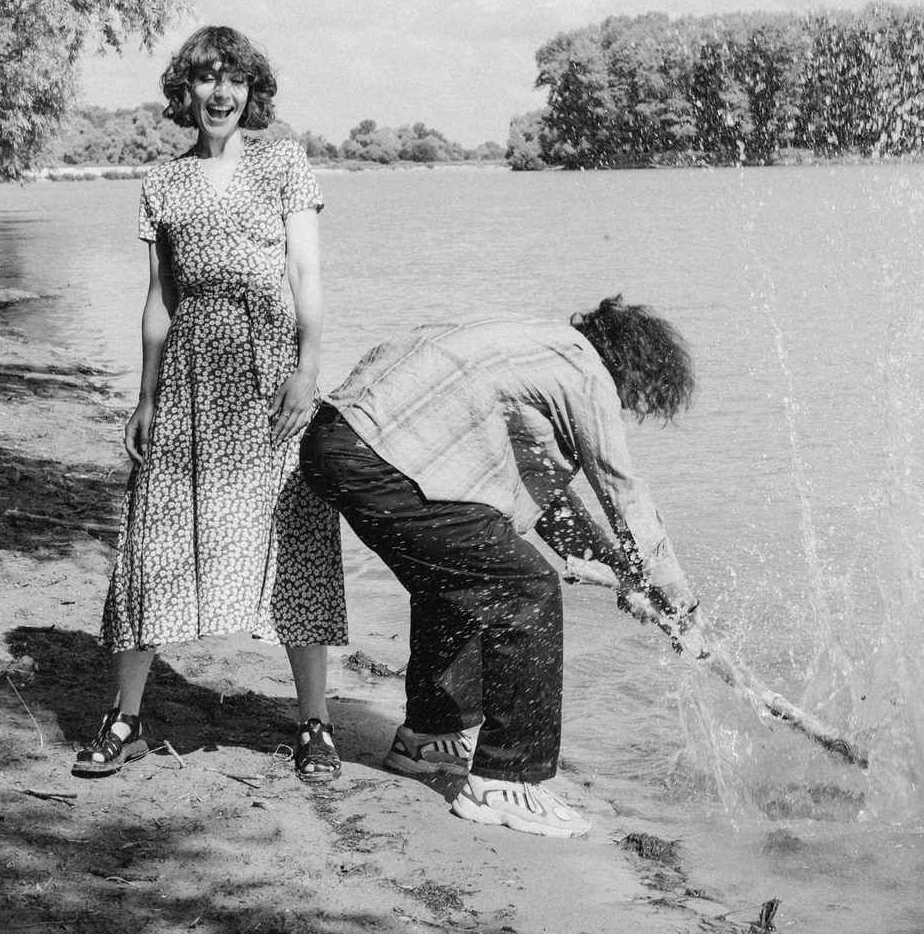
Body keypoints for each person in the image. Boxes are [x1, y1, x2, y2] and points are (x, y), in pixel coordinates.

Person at [298, 298, 700, 839]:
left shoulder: (528, 347)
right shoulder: (586, 371)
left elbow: (546, 500)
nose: (629, 407)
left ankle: (428, 741)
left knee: (461, 573)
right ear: (636, 367)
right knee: (527, 588)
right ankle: (506, 780)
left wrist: (625, 571)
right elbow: (622, 488)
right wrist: (678, 598)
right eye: (636, 400)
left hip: (332, 443)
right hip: (378, 455)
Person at [74, 26, 348, 783]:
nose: (220, 92)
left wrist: (309, 371)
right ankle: (125, 717)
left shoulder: (284, 163)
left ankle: (315, 723)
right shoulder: (162, 182)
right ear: (185, 92)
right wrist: (145, 397)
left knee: (294, 537)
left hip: (270, 376)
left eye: (233, 78)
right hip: (191, 377)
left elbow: (306, 275)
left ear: (251, 90)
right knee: (150, 536)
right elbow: (160, 298)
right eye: (205, 78)